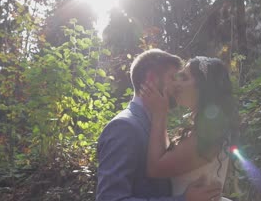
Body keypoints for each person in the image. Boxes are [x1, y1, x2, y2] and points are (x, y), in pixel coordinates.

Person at [96, 50, 223, 201]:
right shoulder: (124, 127)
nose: (177, 85)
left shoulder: (156, 124)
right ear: (151, 79)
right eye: (172, 78)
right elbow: (109, 198)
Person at [140, 56, 238, 201]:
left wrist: (159, 114)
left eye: (184, 78)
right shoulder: (203, 127)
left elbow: (155, 168)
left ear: (204, 86)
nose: (176, 83)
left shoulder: (209, 134)